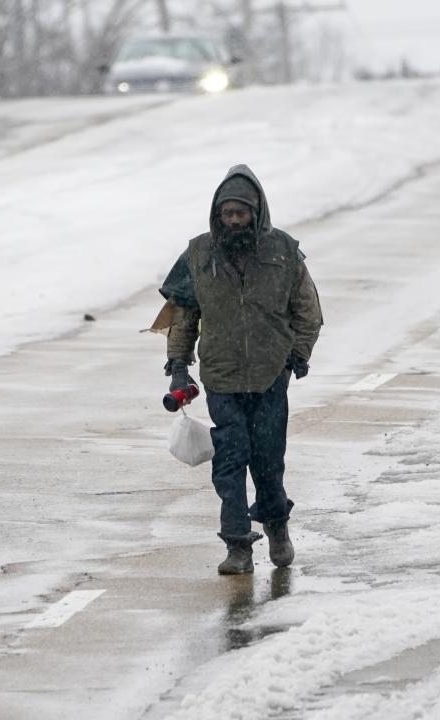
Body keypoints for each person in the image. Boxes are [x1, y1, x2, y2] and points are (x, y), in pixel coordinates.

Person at [159, 164, 323, 575]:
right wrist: (179, 366)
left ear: (257, 213)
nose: (234, 221)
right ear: (217, 214)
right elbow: (182, 316)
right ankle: (237, 546)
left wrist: (297, 354)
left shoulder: (283, 251)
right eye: (227, 213)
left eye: (241, 213)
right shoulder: (197, 255)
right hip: (222, 377)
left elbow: (308, 310)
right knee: (230, 460)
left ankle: (276, 525)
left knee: (268, 461)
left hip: (270, 376)